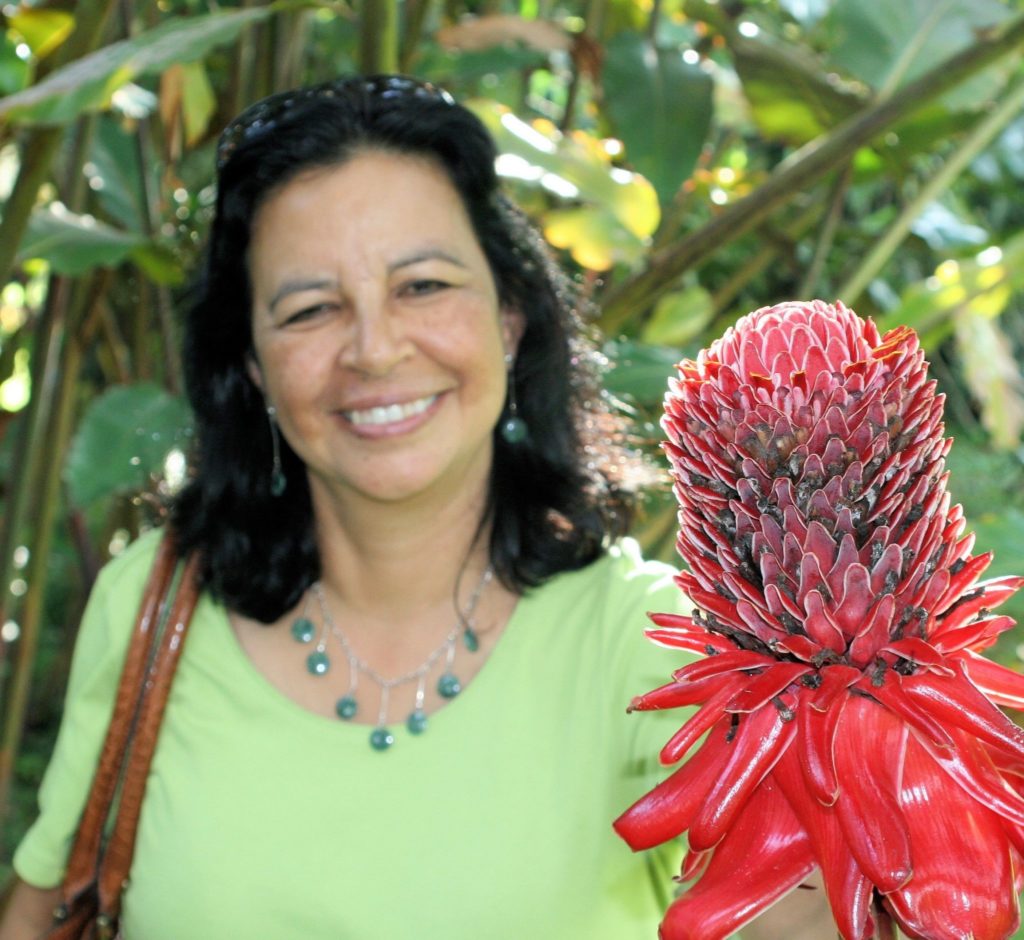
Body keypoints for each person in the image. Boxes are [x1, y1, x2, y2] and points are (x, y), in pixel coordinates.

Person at [0, 75, 691, 939]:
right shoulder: (150, 604)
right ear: (252, 366)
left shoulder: (657, 647)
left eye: (423, 286)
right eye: (312, 309)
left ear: (510, 318)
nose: (374, 349)